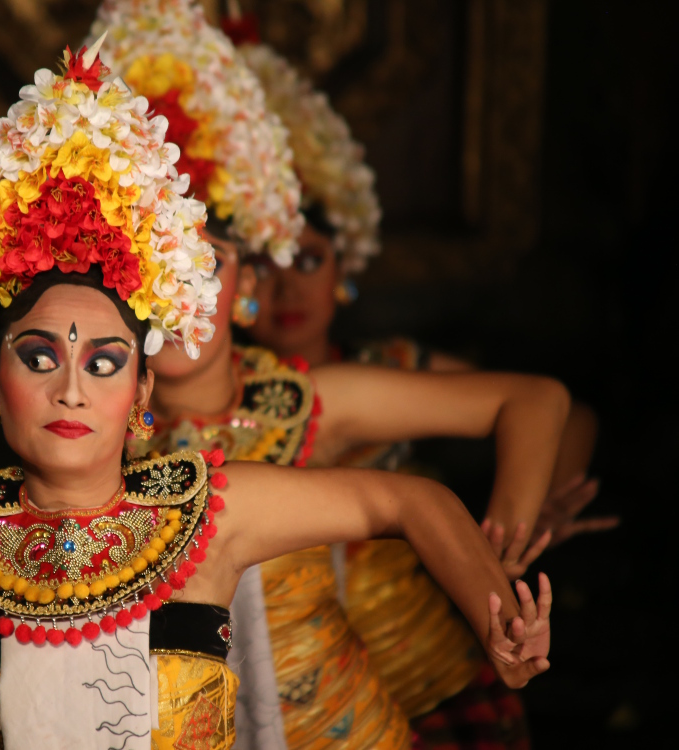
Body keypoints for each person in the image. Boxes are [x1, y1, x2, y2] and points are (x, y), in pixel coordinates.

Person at [0, 44, 553, 750]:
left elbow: (404, 497)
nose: (72, 383)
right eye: (38, 358)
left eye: (106, 361)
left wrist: (495, 608)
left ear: (141, 391)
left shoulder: (209, 515)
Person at [228, 28, 612, 748]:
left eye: (308, 260)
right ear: (235, 284)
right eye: (265, 264)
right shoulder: (222, 399)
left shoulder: (384, 369)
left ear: (342, 273)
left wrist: (519, 528)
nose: (287, 287)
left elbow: (558, 411)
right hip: (290, 691)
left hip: (427, 662)